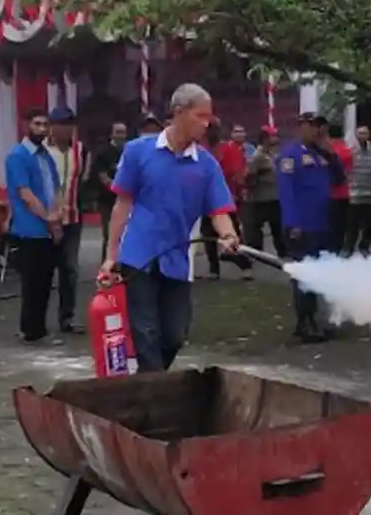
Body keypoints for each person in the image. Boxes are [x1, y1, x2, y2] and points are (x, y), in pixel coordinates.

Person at [102, 83, 240, 372]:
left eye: (208, 118)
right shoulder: (138, 152)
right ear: (179, 112)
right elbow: (122, 205)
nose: (207, 124)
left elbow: (219, 210)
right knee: (146, 333)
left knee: (175, 335)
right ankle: (153, 395)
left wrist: (228, 235)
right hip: (138, 256)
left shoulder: (206, 165)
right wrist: (111, 256)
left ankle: (149, 383)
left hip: (177, 258)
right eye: (200, 116)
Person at [277, 113, 345, 342]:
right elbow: (287, 194)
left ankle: (314, 318)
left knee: (319, 273)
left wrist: (330, 152)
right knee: (303, 274)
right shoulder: (290, 155)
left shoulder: (321, 155)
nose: (317, 131)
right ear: (301, 127)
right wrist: (293, 223)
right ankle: (305, 321)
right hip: (301, 225)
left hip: (322, 222)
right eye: (312, 127)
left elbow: (339, 179)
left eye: (320, 127)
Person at [5, 107, 63, 342]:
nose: (41, 128)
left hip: (47, 230)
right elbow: (24, 192)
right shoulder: (18, 156)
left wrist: (56, 218)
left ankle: (37, 328)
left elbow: (56, 189)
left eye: (45, 124)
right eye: (37, 124)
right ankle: (31, 330)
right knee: (32, 282)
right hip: (29, 229)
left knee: (45, 282)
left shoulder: (45, 156)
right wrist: (47, 217)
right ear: (26, 125)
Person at [45, 106, 86, 332]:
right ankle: (35, 320)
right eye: (60, 124)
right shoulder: (41, 151)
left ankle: (67, 317)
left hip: (72, 217)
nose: (65, 129)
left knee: (69, 269)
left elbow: (81, 181)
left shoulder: (79, 151)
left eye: (69, 124)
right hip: (43, 219)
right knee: (43, 271)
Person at [201, 119, 253, 280]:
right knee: (208, 235)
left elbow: (238, 174)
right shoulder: (200, 150)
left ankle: (245, 266)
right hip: (205, 201)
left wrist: (238, 191)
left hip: (226, 199)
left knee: (233, 234)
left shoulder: (228, 150)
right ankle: (214, 269)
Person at [87, 122, 128, 261]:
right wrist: (118, 190)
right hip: (107, 201)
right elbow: (102, 176)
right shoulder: (103, 153)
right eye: (118, 132)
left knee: (126, 236)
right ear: (111, 134)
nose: (121, 136)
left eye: (123, 132)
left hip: (127, 201)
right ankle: (107, 268)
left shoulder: (129, 151)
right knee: (110, 235)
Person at [343, 125, 371, 257]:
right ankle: (348, 248)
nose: (362, 136)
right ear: (356, 135)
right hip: (355, 195)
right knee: (352, 225)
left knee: (369, 225)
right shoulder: (350, 151)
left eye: (365, 133)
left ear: (369, 135)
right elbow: (346, 170)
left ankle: (364, 247)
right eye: (360, 133)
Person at [245, 126, 286, 258]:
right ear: (265, 139)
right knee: (257, 229)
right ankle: (258, 254)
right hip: (261, 198)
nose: (276, 139)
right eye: (272, 136)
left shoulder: (272, 154)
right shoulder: (257, 156)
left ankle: (283, 253)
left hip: (275, 197)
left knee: (277, 228)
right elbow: (251, 176)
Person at [326, 123, 353, 251]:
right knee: (341, 227)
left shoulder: (325, 151)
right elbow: (349, 171)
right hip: (344, 193)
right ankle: (339, 248)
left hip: (329, 194)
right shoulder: (347, 151)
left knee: (329, 226)